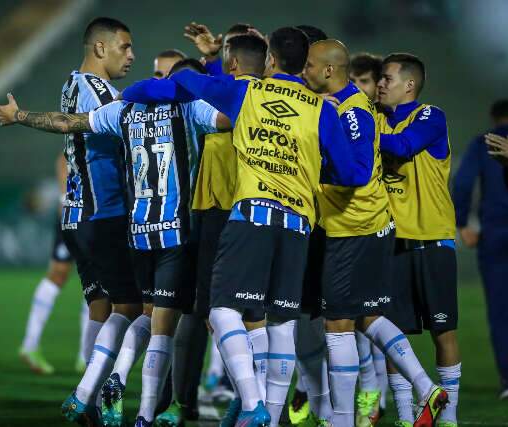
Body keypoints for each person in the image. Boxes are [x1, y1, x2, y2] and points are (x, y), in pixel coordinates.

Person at [150, 26, 378, 427]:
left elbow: (187, 81)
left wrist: (189, 70)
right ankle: (274, 417)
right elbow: (353, 172)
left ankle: (253, 404)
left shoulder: (248, 92)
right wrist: (309, 165)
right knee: (283, 326)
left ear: (271, 59)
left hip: (251, 217)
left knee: (221, 311)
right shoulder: (322, 108)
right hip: (298, 227)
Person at [0, 58, 231, 427]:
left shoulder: (124, 109)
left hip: (136, 231)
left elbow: (65, 123)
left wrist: (20, 115)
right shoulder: (189, 106)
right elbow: (233, 120)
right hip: (175, 233)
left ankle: (92, 388)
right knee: (163, 325)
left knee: (136, 310)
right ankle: (142, 412)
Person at [0, 17, 144, 426]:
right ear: (100, 48)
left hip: (79, 214)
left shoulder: (75, 83)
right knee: (135, 306)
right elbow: (74, 127)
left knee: (100, 303)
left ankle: (91, 400)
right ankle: (92, 393)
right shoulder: (93, 89)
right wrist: (22, 114)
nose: (131, 55)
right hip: (104, 212)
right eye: (124, 47)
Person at [122, 34, 271, 427]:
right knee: (203, 312)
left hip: (231, 212)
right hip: (205, 214)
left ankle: (250, 400)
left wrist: (184, 79)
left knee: (235, 313)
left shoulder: (224, 102)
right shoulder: (198, 108)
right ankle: (189, 401)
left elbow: (221, 102)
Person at [304, 40, 446, 427]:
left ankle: (343, 419)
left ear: (329, 70)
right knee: (368, 315)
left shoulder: (350, 113)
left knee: (337, 323)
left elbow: (354, 173)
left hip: (352, 228)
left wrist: (313, 166)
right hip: (368, 226)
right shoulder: (348, 107)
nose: (305, 72)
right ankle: (427, 388)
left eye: (310, 66)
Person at [377, 53, 458, 427]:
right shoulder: (376, 118)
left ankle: (449, 417)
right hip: (392, 245)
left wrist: (356, 137)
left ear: (409, 85)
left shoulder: (430, 115)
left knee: (443, 331)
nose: (380, 84)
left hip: (432, 239)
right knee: (394, 335)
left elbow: (403, 147)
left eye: (387, 78)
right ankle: (406, 416)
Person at [453, 99, 508, 399]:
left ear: (493, 117)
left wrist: (462, 223)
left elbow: (462, 183)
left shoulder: (484, 142)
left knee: (501, 311)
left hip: (496, 233)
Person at [347, 50, 390, 419]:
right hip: (355, 223)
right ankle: (373, 394)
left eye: (365, 82)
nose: (359, 88)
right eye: (354, 81)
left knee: (369, 315)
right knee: (362, 315)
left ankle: (379, 394)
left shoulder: (376, 121)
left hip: (376, 226)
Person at [19, 154, 90, 375]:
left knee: (59, 274)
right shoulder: (96, 124)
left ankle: (31, 344)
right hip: (90, 212)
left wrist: (64, 198)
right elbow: (63, 158)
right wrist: (64, 196)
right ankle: (85, 356)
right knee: (97, 280)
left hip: (73, 211)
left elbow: (63, 158)